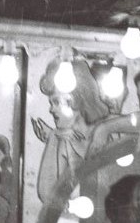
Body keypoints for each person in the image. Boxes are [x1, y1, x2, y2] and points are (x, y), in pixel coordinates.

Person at [32, 57, 109, 202]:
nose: (51, 110)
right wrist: (53, 138)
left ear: (76, 99)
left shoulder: (105, 133)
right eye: (51, 103)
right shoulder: (62, 138)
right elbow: (46, 194)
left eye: (56, 102)